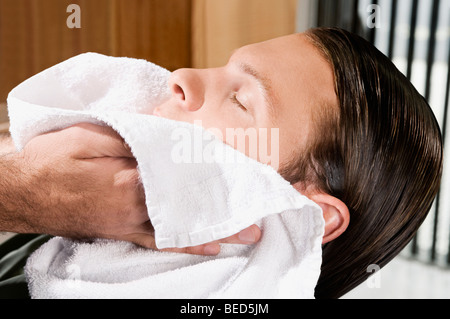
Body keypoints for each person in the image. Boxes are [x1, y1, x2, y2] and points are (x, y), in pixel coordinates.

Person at [0, 27, 443, 299]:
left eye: (241, 99)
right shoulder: (44, 227)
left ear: (310, 214)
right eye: (223, 67)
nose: (182, 78)